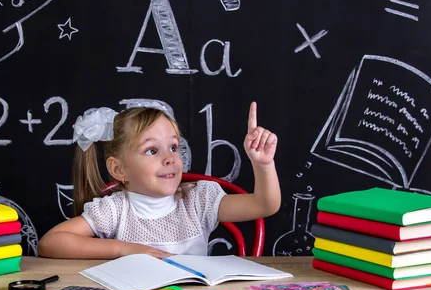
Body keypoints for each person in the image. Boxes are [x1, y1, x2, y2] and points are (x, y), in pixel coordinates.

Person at [38, 103, 280, 259]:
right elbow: (50, 243)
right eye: (152, 151)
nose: (169, 158)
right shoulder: (115, 209)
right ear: (118, 169)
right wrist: (123, 249)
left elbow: (265, 205)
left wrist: (263, 164)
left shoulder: (198, 200)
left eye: (173, 147)